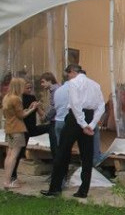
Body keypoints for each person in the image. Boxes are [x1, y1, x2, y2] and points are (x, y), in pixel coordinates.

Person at [42, 64, 105, 198]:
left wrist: (82, 124)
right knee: (87, 156)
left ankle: (55, 187)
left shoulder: (74, 83)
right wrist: (91, 124)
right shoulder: (95, 85)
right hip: (89, 117)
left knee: (62, 152)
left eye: (68, 75)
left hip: (75, 118)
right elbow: (101, 106)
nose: (68, 78)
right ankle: (84, 190)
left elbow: (75, 105)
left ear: (72, 72)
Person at [1, 77, 39, 189]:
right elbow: (21, 115)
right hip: (18, 129)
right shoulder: (16, 99)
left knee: (9, 155)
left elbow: (13, 114)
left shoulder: (7, 97)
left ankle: (6, 179)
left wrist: (28, 108)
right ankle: (8, 181)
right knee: (14, 156)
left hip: (9, 128)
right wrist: (33, 109)